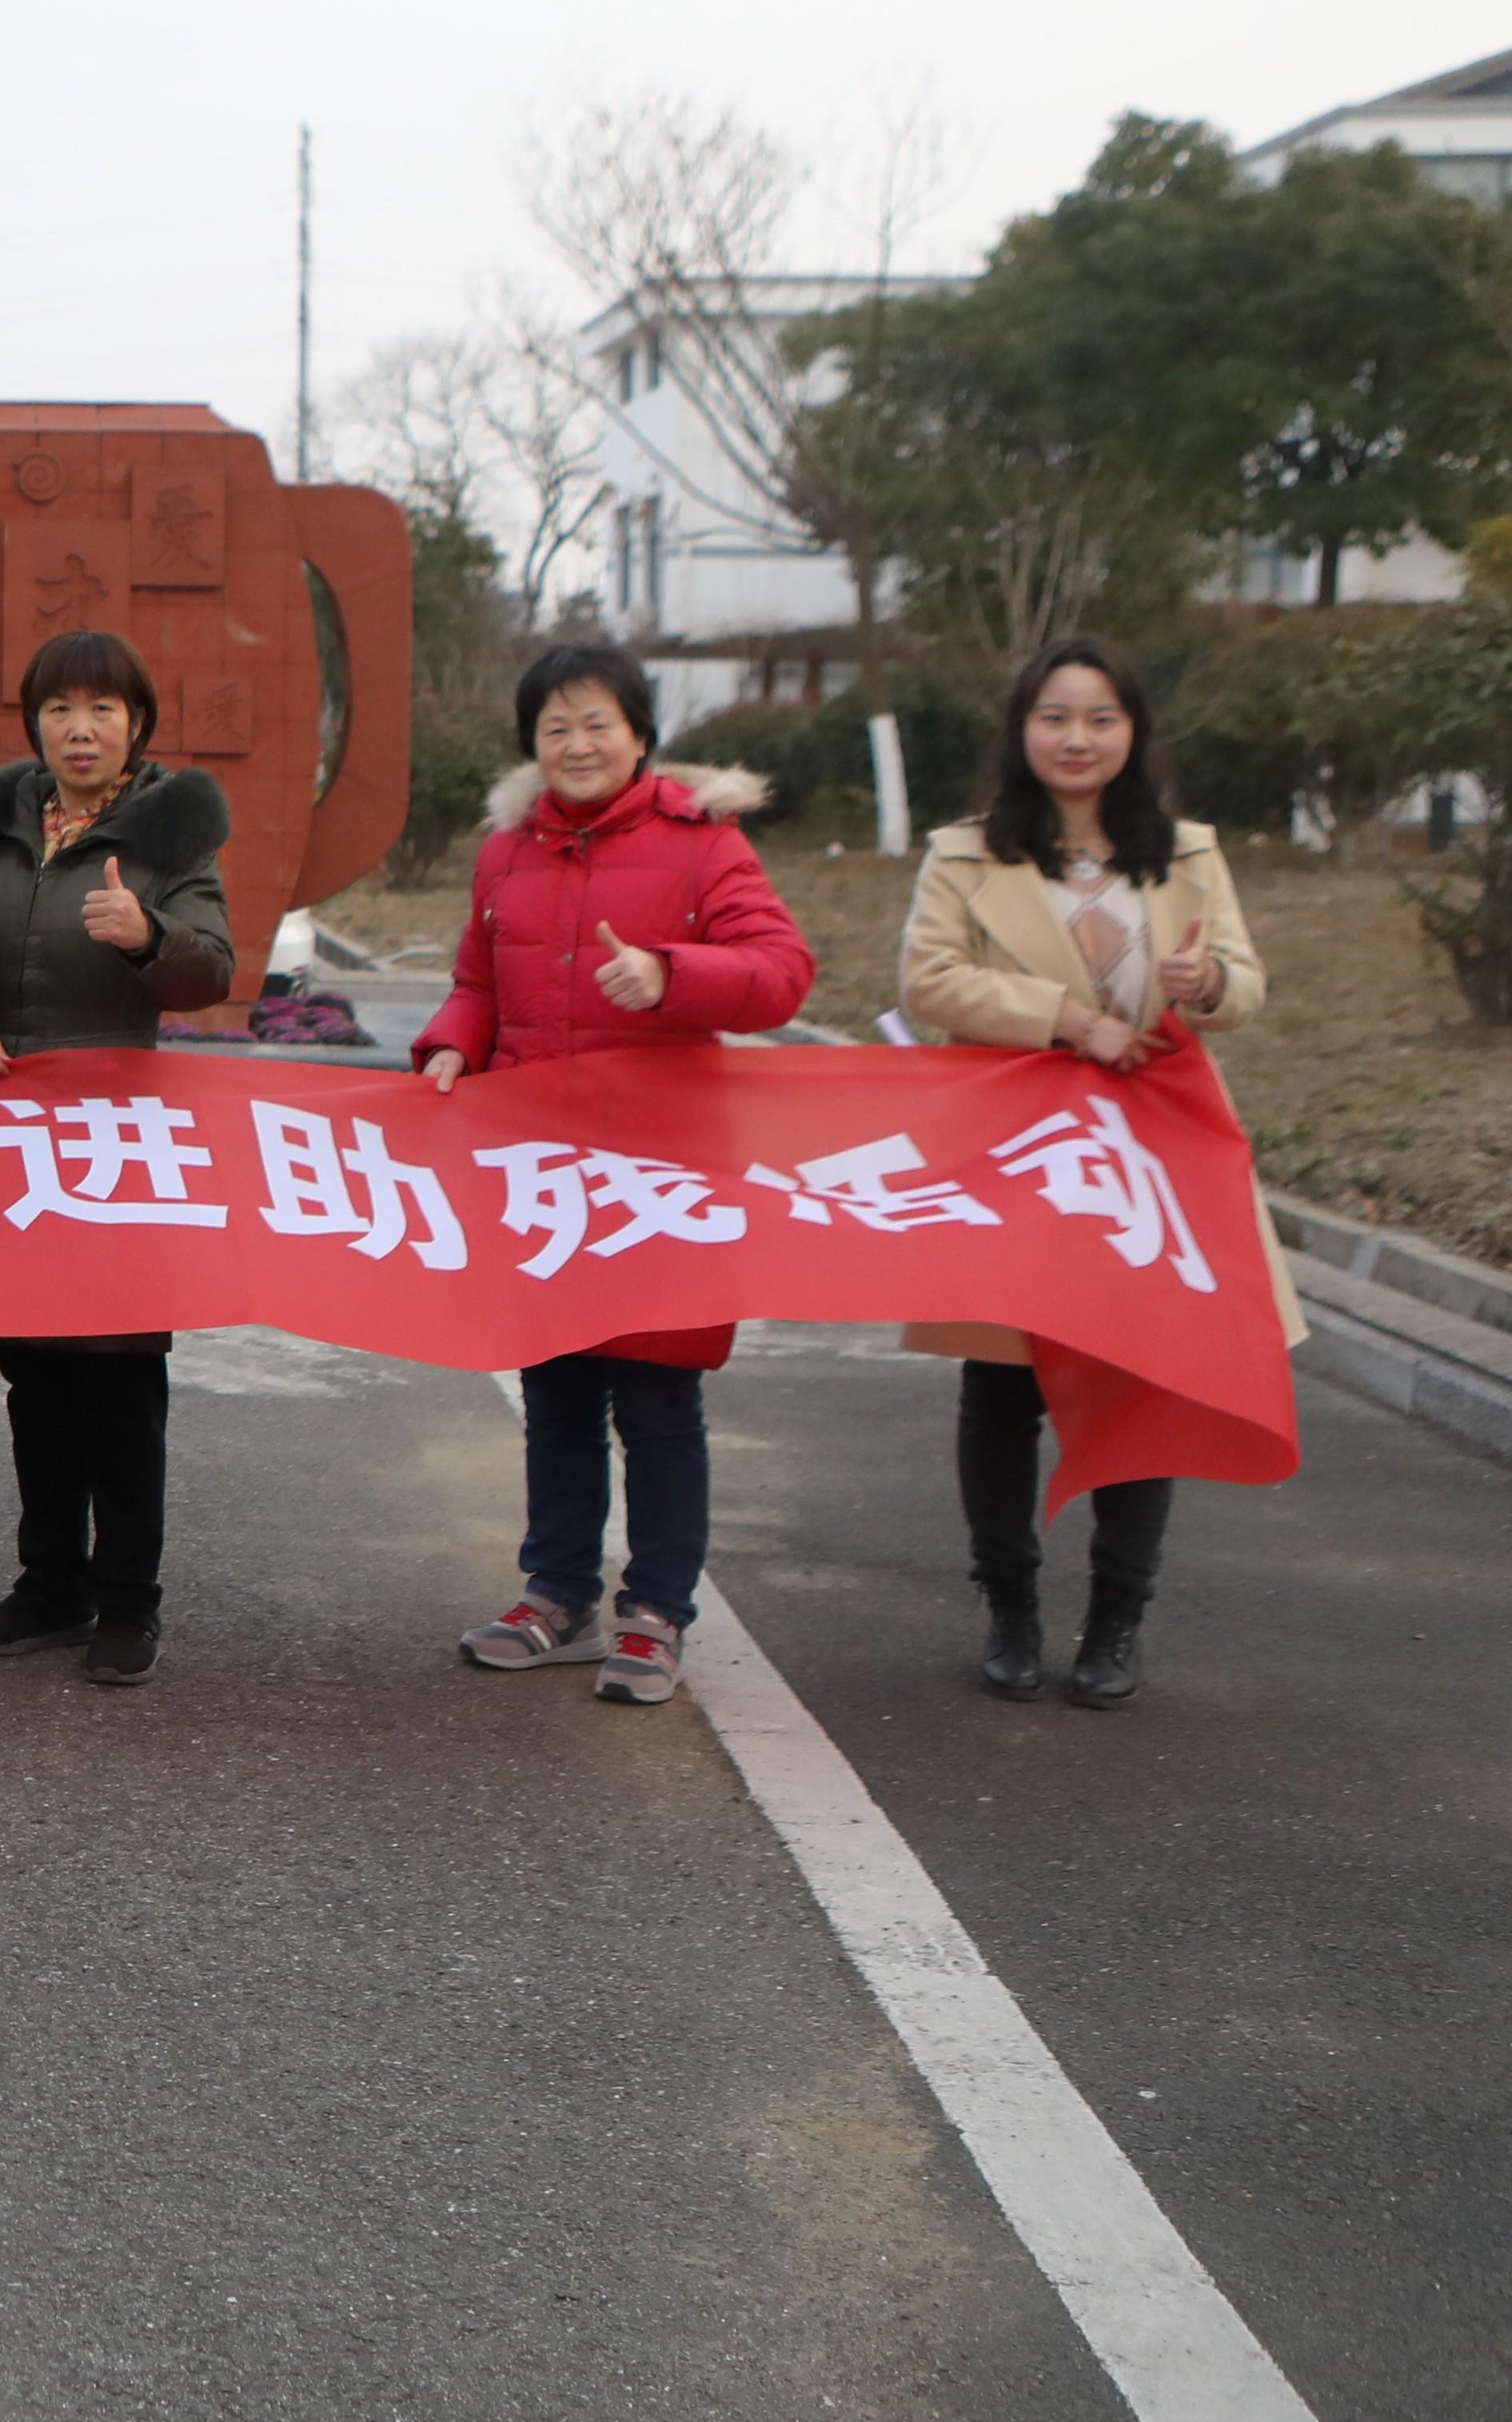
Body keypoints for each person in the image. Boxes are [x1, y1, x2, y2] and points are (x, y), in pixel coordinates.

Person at [899, 633, 1286, 1710]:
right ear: (1023, 732)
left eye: (1101, 718)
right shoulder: (968, 852)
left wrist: (1206, 981)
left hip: (1146, 1155)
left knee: (1134, 1380)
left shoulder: (1188, 851)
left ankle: (1117, 1619)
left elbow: (1247, 983)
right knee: (1003, 1386)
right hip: (1016, 1151)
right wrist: (1070, 1022)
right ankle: (1011, 1611)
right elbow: (928, 980)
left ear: (1133, 733)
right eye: (1056, 717)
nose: (1078, 738)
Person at [425, 641, 814, 1707]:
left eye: (598, 723)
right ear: (531, 747)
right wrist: (454, 1043)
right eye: (555, 728)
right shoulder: (506, 855)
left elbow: (782, 975)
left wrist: (671, 976)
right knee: (553, 1394)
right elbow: (476, 979)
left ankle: (655, 1611)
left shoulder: (705, 847)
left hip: (659, 1174)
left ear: (640, 733)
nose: (578, 744)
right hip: (541, 1171)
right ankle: (555, 1594)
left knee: (655, 1400)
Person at [0, 628, 239, 1688]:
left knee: (120, 1380)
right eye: (62, 708)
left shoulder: (168, 839)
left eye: (104, 709)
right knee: (34, 1375)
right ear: (36, 724)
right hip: (13, 1151)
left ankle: (128, 1601)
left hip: (116, 1150)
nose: (81, 727)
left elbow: (210, 974)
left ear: (137, 725)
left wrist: (148, 934)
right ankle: (51, 1583)